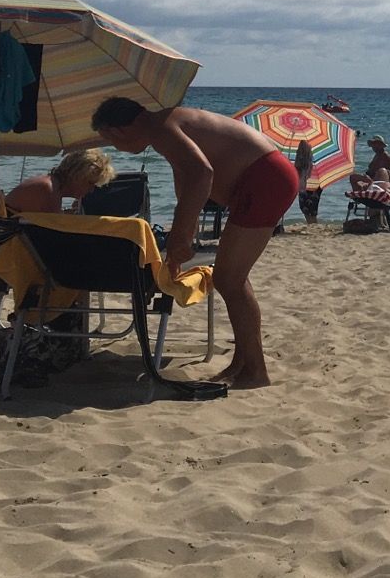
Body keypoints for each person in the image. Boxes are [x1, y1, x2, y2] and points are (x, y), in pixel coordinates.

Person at [92, 97, 298, 389]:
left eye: (110, 140)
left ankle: (255, 371)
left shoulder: (162, 128)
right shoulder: (165, 127)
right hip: (264, 177)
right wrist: (182, 234)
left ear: (119, 130)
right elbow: (186, 182)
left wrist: (180, 234)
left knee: (229, 278)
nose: (116, 147)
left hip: (265, 178)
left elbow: (202, 174)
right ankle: (243, 362)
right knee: (232, 277)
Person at [5, 149, 114, 213]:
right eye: (90, 183)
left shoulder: (52, 185)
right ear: (76, 175)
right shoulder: (48, 189)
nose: (91, 190)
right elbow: (51, 234)